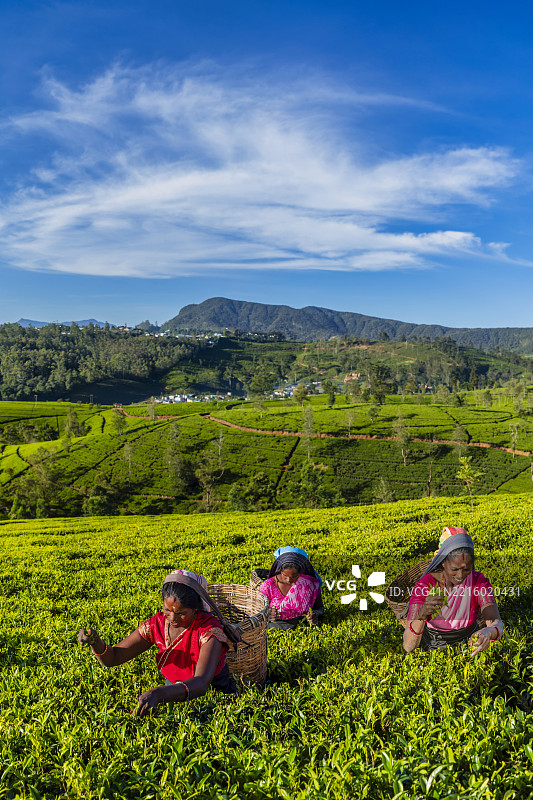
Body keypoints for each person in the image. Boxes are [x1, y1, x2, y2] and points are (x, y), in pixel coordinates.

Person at [78, 571, 239, 716]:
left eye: (182, 613)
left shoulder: (209, 630)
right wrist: (96, 642)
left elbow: (202, 683)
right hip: (173, 695)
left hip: (215, 696)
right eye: (167, 610)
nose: (173, 619)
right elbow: (114, 658)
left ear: (196, 608)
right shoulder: (156, 625)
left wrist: (159, 694)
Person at [403, 527, 503, 654]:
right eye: (454, 569)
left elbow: (496, 622)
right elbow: (408, 646)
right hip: (433, 645)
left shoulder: (478, 581)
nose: (460, 576)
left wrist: (488, 632)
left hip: (469, 643)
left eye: (466, 569)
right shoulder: (425, 585)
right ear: (443, 562)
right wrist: (421, 614)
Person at [259, 549, 324, 630]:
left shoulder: (310, 585)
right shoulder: (268, 585)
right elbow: (255, 608)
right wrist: (267, 613)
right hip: (274, 625)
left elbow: (320, 608)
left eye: (294, 576)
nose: (289, 580)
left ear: (301, 573)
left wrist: (315, 614)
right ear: (280, 570)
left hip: (301, 626)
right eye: (285, 575)